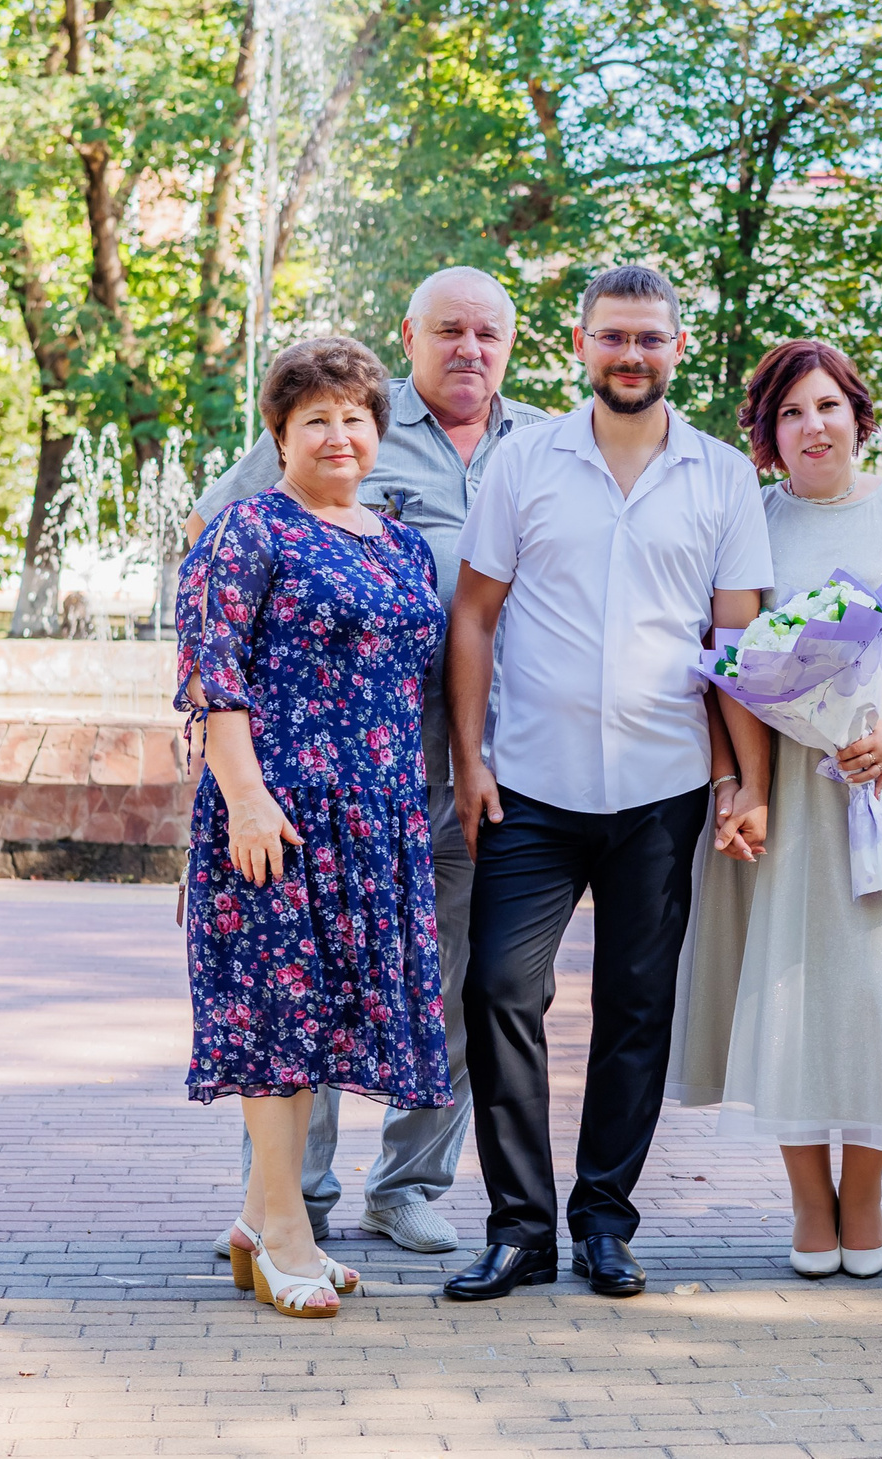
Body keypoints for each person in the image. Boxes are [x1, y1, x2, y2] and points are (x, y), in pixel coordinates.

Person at [185, 267, 548, 1258]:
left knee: (450, 988)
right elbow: (215, 559)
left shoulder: (550, 444)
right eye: (449, 330)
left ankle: (409, 1185)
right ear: (412, 336)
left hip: (480, 774)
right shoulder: (328, 444)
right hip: (317, 782)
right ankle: (289, 1198)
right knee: (301, 989)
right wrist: (241, 783)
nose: (470, 348)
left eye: (489, 332)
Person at [440, 263, 775, 1302]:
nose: (632, 355)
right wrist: (469, 760)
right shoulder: (525, 462)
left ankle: (604, 1220)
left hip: (663, 786)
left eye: (650, 339)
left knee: (637, 1008)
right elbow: (475, 616)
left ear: (678, 349)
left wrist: (743, 781)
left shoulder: (721, 476)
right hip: (531, 786)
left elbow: (737, 640)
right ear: (579, 346)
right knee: (499, 988)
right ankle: (519, 1227)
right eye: (613, 337)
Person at [667, 340, 882, 1281]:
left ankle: (869, 1192)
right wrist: (743, 783)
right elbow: (726, 660)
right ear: (768, 436)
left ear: (859, 414)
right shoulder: (753, 519)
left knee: (876, 991)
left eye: (828, 406)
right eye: (790, 414)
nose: (813, 426)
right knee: (791, 990)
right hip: (786, 797)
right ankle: (810, 1198)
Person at [176, 336, 455, 1318]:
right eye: (315, 420)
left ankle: (260, 1221)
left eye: (354, 417)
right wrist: (246, 797)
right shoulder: (252, 529)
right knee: (278, 1023)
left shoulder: (402, 541)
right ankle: (287, 1230)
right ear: (280, 434)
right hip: (278, 814)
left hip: (376, 818)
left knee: (328, 1022)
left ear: (377, 431)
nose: (338, 435)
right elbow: (213, 667)